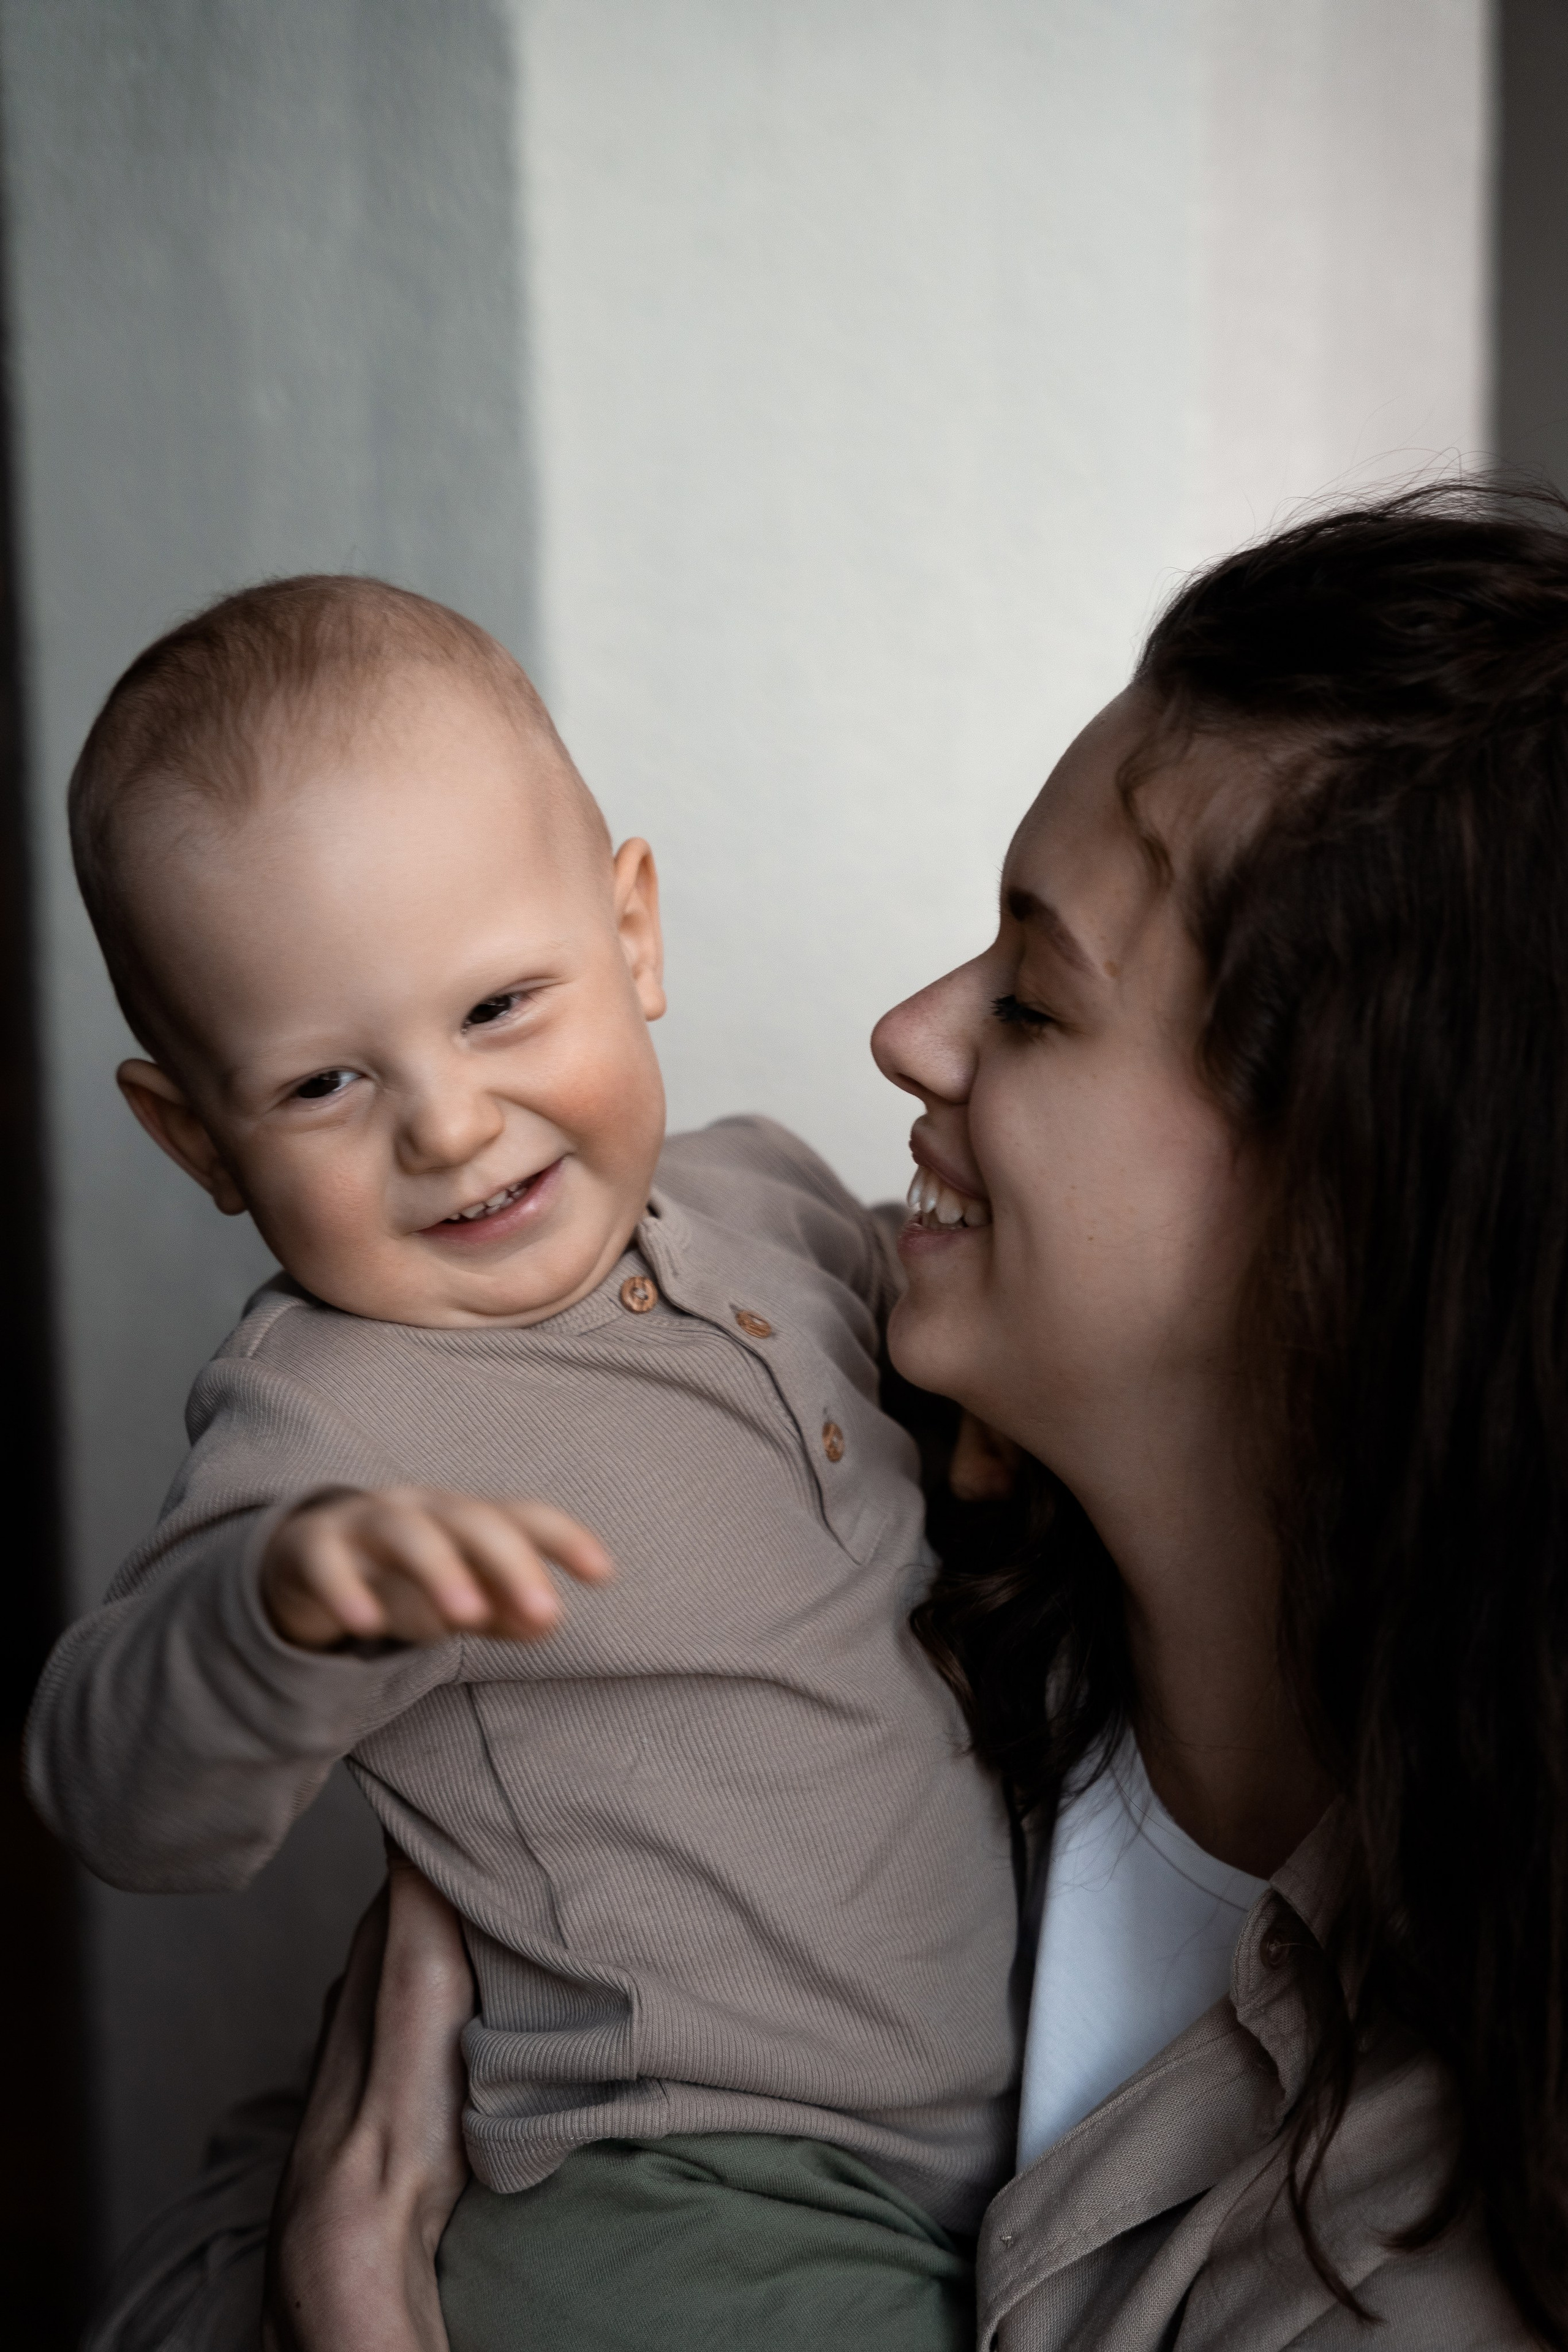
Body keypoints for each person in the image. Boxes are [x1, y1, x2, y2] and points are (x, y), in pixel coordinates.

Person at [218, 481, 1568, 2350]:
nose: (910, 1032)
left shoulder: (1431, 2254)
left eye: (1032, 998)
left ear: (1351, 1194)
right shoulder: (796, 1541)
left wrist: (348, 2306)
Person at [26, 576, 1023, 2351]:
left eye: (498, 1008)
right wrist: (274, 1611)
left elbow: (971, 1358)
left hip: (958, 2156)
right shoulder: (332, 1407)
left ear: (631, 931)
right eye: (327, 1083)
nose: (449, 1122)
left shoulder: (769, 1198)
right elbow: (110, 1786)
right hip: (672, 2179)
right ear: (196, 1137)